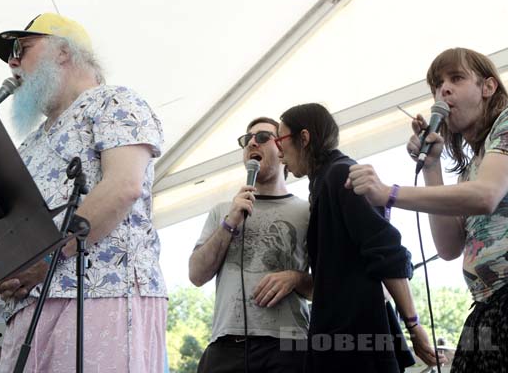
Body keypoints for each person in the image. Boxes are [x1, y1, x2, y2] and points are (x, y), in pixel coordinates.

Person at [0, 13, 167, 372]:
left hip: (102, 297)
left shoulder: (114, 102)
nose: (12, 62)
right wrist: (1, 268)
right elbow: (17, 228)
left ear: (63, 52)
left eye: (21, 47)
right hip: (29, 311)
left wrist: (45, 261)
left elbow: (123, 187)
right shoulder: (30, 144)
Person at [345, 47, 508, 373]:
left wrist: (388, 194)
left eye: (456, 78)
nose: (443, 89)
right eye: (437, 84)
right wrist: (432, 168)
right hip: (488, 305)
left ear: (488, 87)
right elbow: (448, 247)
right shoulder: (470, 168)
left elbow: (487, 195)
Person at [276, 103, 443, 372]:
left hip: (358, 343)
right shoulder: (323, 181)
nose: (278, 149)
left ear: (304, 138)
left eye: (280, 139)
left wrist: (413, 324)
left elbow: (385, 251)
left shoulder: (341, 174)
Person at [189, 117, 312, 373]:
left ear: (283, 149)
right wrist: (230, 221)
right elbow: (197, 275)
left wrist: (296, 278)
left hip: (288, 346)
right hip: (226, 347)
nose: (252, 142)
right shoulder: (222, 211)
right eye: (247, 140)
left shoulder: (308, 211)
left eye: (263, 137)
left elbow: (332, 286)